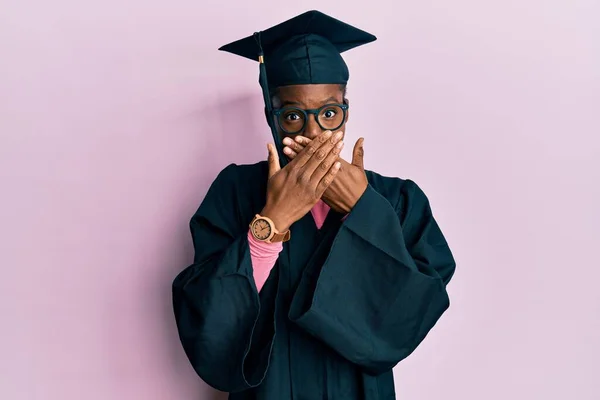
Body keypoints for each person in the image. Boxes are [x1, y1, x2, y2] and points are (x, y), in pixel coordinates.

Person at [172, 10, 456, 400]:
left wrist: (364, 210)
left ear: (346, 112)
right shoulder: (236, 191)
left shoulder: (396, 198)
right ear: (272, 117)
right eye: (293, 116)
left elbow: (412, 312)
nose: (313, 133)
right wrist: (272, 221)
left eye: (328, 113)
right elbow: (207, 317)